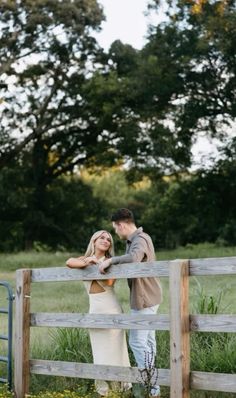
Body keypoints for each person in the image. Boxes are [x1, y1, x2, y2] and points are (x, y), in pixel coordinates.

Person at [98, 209, 162, 398]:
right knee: (148, 343)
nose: (115, 233)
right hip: (149, 296)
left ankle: (152, 389)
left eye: (115, 229)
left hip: (144, 299)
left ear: (121, 225)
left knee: (137, 342)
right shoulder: (136, 239)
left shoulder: (140, 239)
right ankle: (154, 387)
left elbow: (134, 258)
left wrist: (111, 261)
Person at [66, 230, 131, 397]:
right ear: (93, 241)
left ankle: (120, 390)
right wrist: (88, 261)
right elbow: (69, 262)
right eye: (102, 237)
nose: (106, 240)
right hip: (94, 309)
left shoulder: (111, 262)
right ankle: (104, 391)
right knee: (100, 350)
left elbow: (109, 281)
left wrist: (98, 265)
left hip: (111, 308)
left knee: (115, 350)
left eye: (108, 239)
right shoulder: (84, 259)